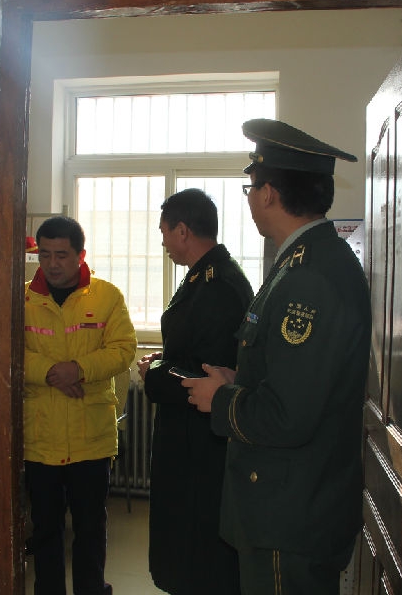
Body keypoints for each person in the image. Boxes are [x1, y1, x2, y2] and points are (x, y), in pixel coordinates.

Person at [185, 119, 372, 595]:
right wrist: (240, 378)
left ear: (268, 194)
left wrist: (220, 398)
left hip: (289, 512)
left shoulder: (307, 277)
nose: (250, 199)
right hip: (301, 502)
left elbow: (288, 416)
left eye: (251, 188)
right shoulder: (309, 259)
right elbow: (299, 377)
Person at [137, 188, 253, 595]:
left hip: (201, 443)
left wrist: (153, 374)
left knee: (199, 547)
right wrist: (165, 359)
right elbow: (194, 349)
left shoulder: (218, 285)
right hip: (190, 437)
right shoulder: (203, 276)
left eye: (164, 232)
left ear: (183, 230)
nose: (164, 242)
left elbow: (205, 373)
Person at [23, 215, 137, 595]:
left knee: (90, 529)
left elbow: (123, 349)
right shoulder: (21, 299)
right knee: (46, 531)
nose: (52, 264)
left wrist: (80, 369)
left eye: (62, 255)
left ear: (80, 255)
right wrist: (51, 371)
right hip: (41, 436)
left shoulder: (106, 296)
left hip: (91, 438)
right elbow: (8, 352)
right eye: (45, 255)